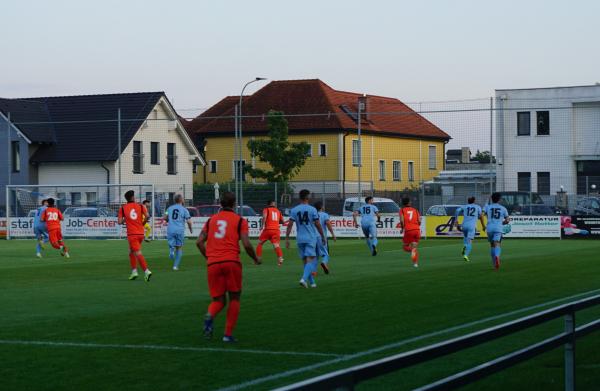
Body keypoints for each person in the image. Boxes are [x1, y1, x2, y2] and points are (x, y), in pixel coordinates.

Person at [196, 191, 260, 343]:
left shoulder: (211, 220)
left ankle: (210, 315)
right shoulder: (239, 220)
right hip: (231, 262)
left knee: (218, 300)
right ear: (234, 204)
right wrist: (256, 258)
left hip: (212, 264)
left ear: (221, 204)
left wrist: (209, 257)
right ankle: (227, 335)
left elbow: (198, 242)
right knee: (234, 297)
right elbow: (246, 244)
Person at [285, 189, 326, 288]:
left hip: (300, 238)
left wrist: (287, 239)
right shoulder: (312, 209)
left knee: (305, 261)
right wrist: (323, 236)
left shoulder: (294, 210)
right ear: (308, 197)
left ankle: (312, 283)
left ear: (300, 197)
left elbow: (289, 224)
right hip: (310, 238)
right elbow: (317, 224)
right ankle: (303, 279)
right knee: (311, 259)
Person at [118, 190, 152, 281]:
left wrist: (126, 219)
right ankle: (134, 272)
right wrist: (142, 223)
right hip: (141, 233)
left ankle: (146, 271)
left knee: (137, 253)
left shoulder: (123, 208)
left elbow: (120, 222)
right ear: (133, 197)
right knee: (131, 252)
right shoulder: (141, 206)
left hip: (132, 234)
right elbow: (148, 216)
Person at [165, 194, 193, 271]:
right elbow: (189, 222)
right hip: (180, 230)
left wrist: (169, 220)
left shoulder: (169, 208)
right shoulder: (184, 210)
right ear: (181, 200)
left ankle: (171, 250)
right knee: (179, 248)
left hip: (170, 229)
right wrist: (191, 230)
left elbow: (165, 217)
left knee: (172, 243)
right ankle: (175, 266)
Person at [482, 192, 510, 270]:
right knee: (497, 244)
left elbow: (482, 214)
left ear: (492, 199)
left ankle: (494, 264)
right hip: (498, 228)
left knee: (492, 245)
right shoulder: (503, 208)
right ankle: (497, 256)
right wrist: (502, 223)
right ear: (499, 199)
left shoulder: (488, 207)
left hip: (489, 228)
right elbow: (507, 220)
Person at [454, 197, 486, 262]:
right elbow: (481, 216)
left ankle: (465, 246)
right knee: (470, 241)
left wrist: (456, 220)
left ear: (468, 201)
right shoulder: (477, 207)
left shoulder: (465, 206)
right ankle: (466, 255)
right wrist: (483, 225)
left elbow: (457, 210)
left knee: (465, 237)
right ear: (474, 201)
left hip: (464, 225)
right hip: (472, 226)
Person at [256, 200, 284, 265]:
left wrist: (262, 226)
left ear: (268, 204)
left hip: (268, 230)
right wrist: (277, 222)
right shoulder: (278, 211)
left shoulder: (266, 209)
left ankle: (258, 259)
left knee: (260, 243)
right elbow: (282, 221)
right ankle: (280, 259)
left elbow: (264, 217)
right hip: (276, 230)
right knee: (276, 245)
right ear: (273, 204)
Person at [314, 201, 336, 274]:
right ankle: (324, 262)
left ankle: (313, 271)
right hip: (321, 236)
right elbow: (328, 224)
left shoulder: (312, 214)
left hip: (312, 237)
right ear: (321, 207)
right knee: (326, 254)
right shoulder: (324, 215)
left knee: (315, 254)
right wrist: (333, 234)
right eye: (323, 206)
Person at [399, 197, 421, 268]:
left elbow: (402, 221)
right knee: (414, 246)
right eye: (410, 201)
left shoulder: (402, 210)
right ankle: (415, 263)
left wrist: (402, 228)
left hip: (409, 230)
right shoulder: (415, 210)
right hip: (417, 230)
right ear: (409, 202)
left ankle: (412, 251)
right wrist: (417, 225)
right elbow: (419, 221)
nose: (411, 202)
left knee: (405, 247)